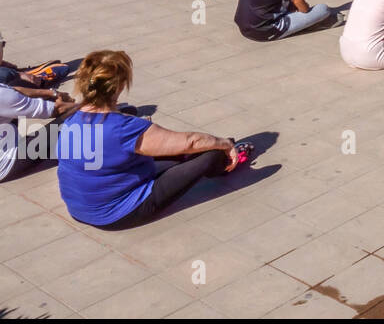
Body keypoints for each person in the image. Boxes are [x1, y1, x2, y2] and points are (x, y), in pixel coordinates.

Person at [57, 50, 252, 230]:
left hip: (79, 208)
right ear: (119, 86)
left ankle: (211, 152)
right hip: (117, 214)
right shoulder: (123, 128)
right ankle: (227, 161)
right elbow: (190, 141)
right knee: (211, 153)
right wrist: (223, 142)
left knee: (179, 150)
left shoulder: (71, 119)